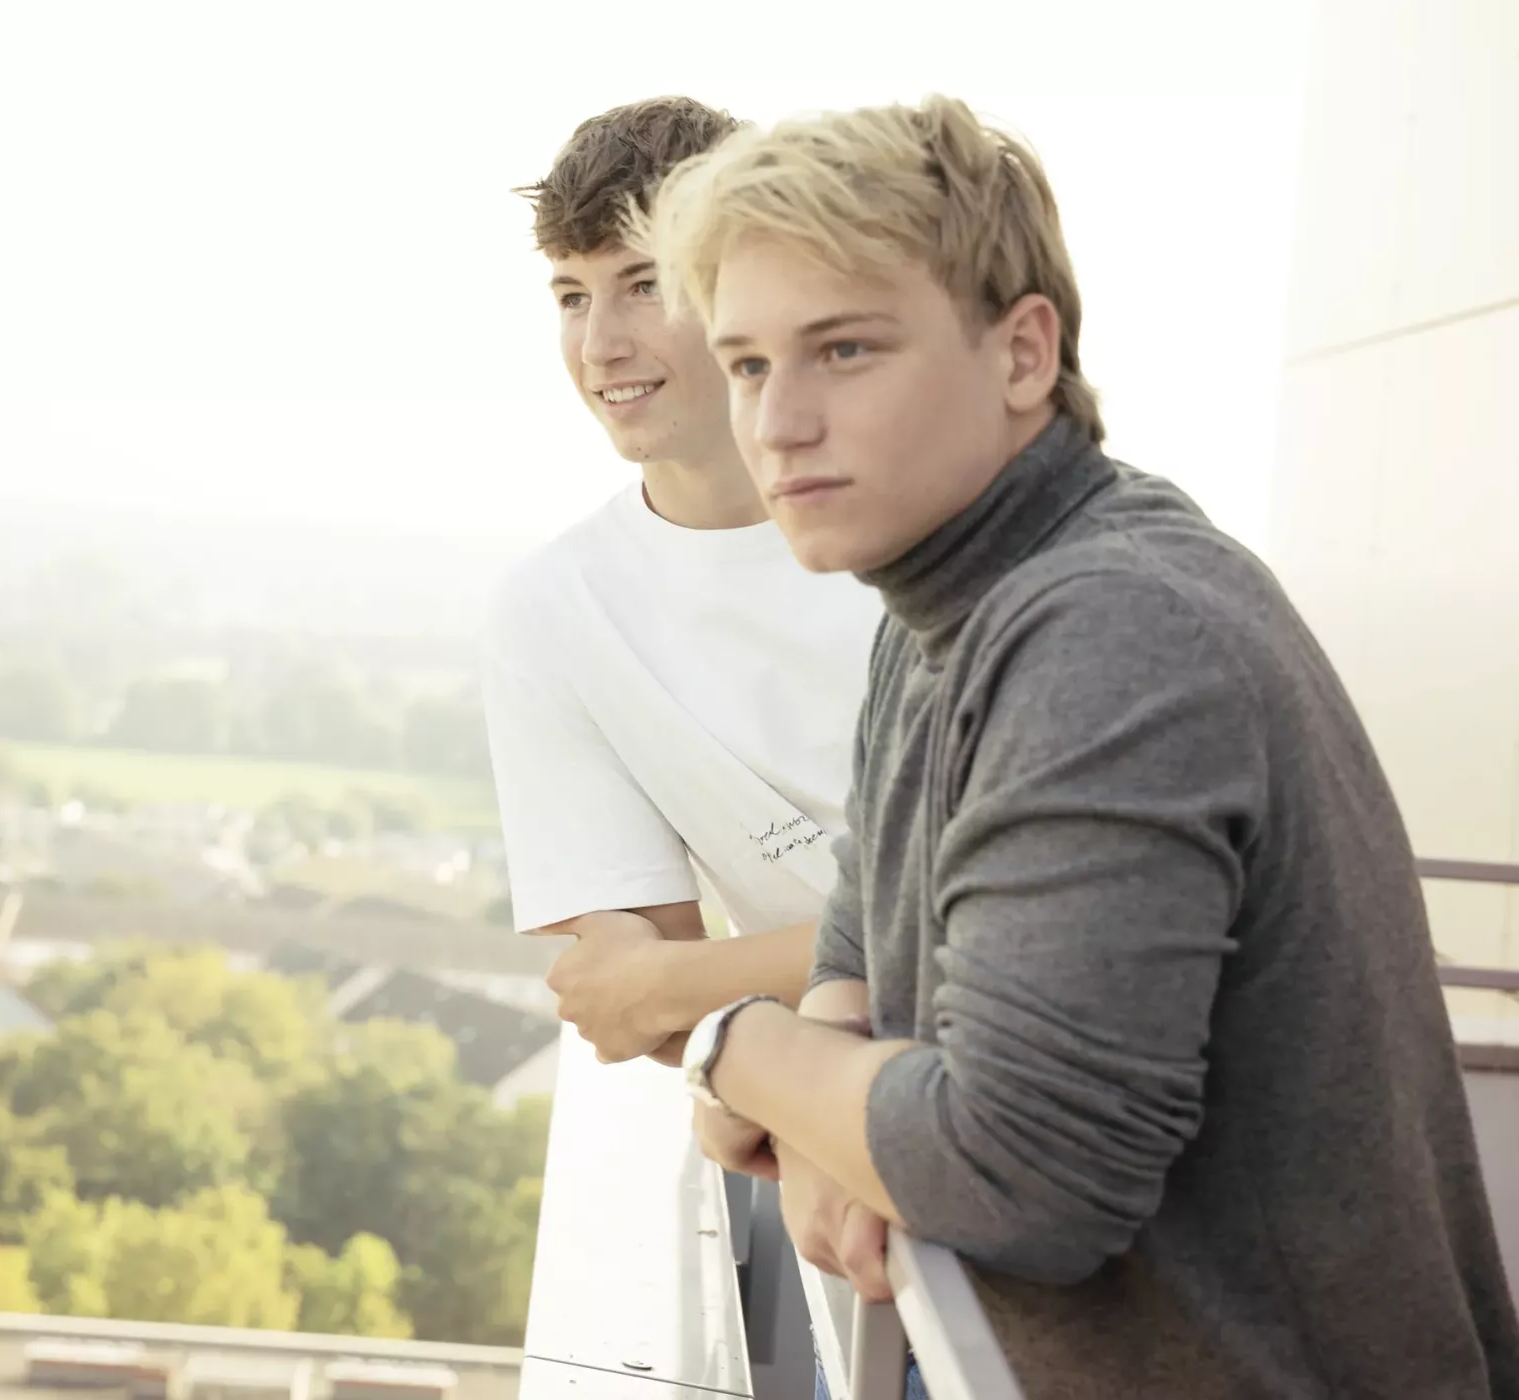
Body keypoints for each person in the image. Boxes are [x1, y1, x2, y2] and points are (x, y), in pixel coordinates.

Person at [649, 95, 1519, 1396]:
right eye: (748, 364)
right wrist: (828, 1083)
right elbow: (860, 935)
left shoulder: (1109, 632)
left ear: (1022, 353)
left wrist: (736, 1047)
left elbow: (1022, 1172)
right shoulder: (946, 595)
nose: (776, 424)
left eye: (844, 349)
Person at [485, 96, 883, 1069]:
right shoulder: (554, 612)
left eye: (644, 285)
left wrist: (687, 980)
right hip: (833, 1110)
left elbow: (1015, 930)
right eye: (572, 296)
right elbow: (635, 1008)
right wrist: (683, 991)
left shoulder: (919, 529)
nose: (599, 345)